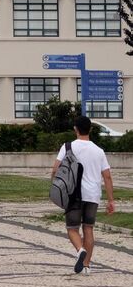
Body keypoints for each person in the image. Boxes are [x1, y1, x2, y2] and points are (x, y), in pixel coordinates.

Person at [50, 115, 114, 275]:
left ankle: (80, 250)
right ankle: (86, 266)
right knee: (88, 229)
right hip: (93, 195)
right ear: (90, 129)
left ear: (75, 129)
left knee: (72, 228)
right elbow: (107, 176)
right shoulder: (99, 151)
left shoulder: (67, 147)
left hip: (74, 195)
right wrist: (111, 200)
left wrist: (55, 186)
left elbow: (55, 169)